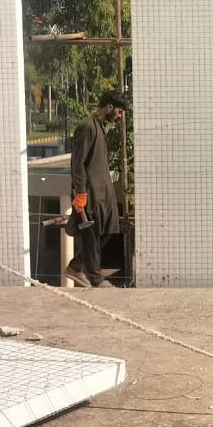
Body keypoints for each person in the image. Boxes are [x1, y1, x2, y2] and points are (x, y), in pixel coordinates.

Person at [64, 90, 127, 288]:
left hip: (103, 192)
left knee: (110, 228)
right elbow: (77, 163)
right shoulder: (87, 127)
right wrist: (81, 193)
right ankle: (95, 278)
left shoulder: (100, 127)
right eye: (119, 112)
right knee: (91, 233)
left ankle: (76, 266)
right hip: (90, 192)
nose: (119, 116)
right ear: (109, 107)